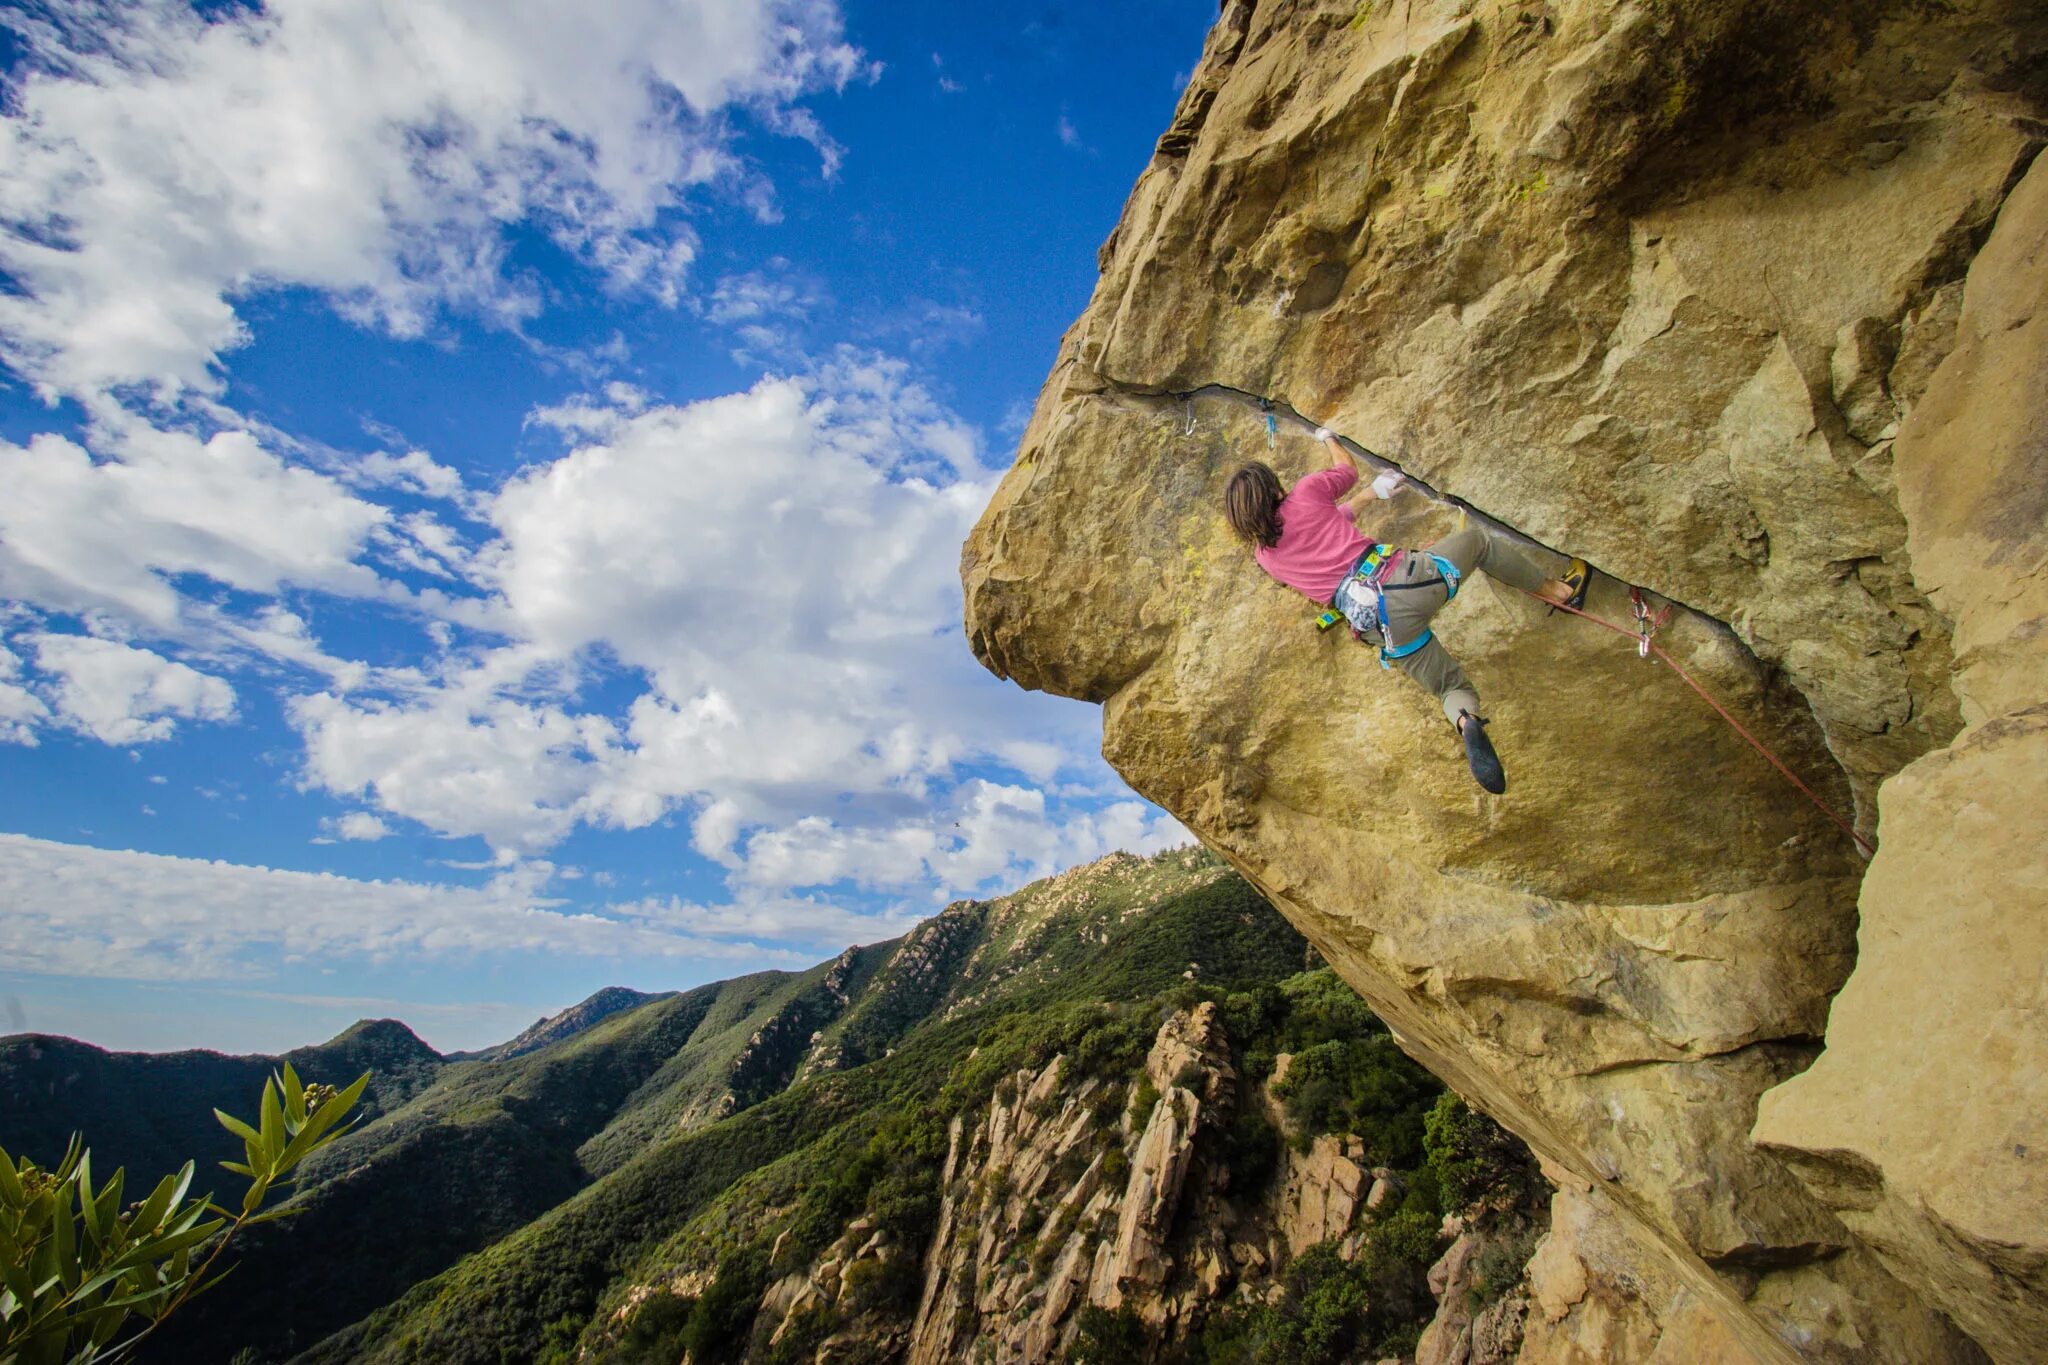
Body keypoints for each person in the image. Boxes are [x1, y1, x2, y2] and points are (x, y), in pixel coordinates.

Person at [1223, 428, 1589, 792]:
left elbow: (1327, 526)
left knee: (1450, 686)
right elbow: (1346, 471)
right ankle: (1559, 592)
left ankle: (1466, 722)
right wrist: (1329, 439)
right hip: (1404, 581)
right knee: (1478, 543)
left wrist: (1370, 496)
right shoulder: (1304, 494)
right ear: (1273, 489)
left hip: (1380, 627)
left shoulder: (1266, 559)